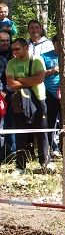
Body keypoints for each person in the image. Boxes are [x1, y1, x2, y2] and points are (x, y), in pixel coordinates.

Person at [5, 37, 51, 174]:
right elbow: (11, 84)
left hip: (38, 99)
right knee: (21, 133)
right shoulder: (11, 63)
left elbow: (40, 79)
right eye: (13, 49)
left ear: (26, 48)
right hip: (20, 101)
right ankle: (20, 166)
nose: (15, 52)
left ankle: (45, 163)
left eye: (17, 49)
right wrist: (31, 81)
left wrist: (20, 79)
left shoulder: (37, 60)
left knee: (41, 132)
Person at [41, 35, 61, 157]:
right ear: (54, 43)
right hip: (49, 92)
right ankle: (52, 148)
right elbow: (40, 74)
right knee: (50, 122)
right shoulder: (45, 56)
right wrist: (52, 70)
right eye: (58, 42)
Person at [0, 31, 14, 159]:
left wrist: (7, 90)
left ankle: (11, 151)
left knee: (10, 123)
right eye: (2, 41)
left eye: (7, 40)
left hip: (11, 94)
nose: (4, 43)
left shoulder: (14, 55)